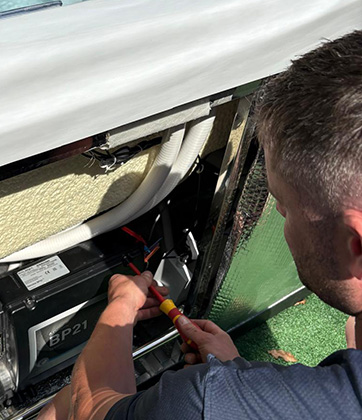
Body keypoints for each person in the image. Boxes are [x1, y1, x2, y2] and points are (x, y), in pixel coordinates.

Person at [38, 30, 362, 420]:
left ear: (355, 245)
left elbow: (90, 407)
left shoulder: (202, 402)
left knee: (62, 405)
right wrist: (238, 374)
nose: (277, 213)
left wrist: (120, 308)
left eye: (284, 205)